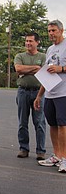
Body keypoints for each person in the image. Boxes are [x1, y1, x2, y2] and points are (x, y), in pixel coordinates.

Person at [34, 20, 66, 173]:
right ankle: (57, 156)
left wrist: (62, 68)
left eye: (54, 30)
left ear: (61, 30)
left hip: (63, 93)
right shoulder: (50, 50)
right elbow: (46, 73)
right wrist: (39, 96)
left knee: (63, 125)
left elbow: (59, 68)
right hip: (50, 93)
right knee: (52, 124)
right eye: (49, 31)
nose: (51, 34)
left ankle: (65, 158)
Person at [14, 32, 46, 160]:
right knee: (22, 122)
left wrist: (27, 70)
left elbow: (43, 71)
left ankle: (41, 151)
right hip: (23, 92)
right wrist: (35, 68)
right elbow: (18, 69)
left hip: (39, 92)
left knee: (39, 122)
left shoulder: (43, 56)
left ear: (37, 42)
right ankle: (23, 148)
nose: (28, 43)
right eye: (26, 41)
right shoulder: (20, 56)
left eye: (31, 41)